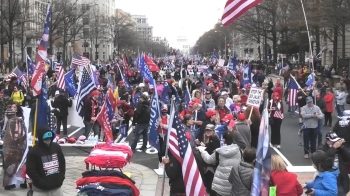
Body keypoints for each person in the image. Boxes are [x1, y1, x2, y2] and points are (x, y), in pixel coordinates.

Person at [26, 126, 66, 196]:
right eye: (46, 139)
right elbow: (31, 170)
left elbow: (62, 163)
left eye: (50, 138)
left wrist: (61, 177)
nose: (48, 140)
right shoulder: (34, 151)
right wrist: (42, 182)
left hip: (57, 188)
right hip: (40, 191)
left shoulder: (56, 147)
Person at [199, 131, 242, 196]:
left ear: (224, 140)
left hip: (220, 183)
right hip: (234, 181)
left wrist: (203, 152)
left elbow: (209, 160)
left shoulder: (219, 152)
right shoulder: (239, 151)